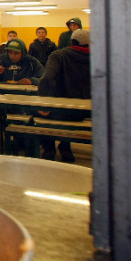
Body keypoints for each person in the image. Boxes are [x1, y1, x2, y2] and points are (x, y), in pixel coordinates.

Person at [37, 28, 91, 162]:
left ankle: (49, 148)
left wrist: (44, 103)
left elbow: (47, 79)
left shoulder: (58, 55)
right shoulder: (96, 58)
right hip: (83, 113)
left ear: (71, 41)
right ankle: (65, 147)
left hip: (59, 110)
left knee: (37, 113)